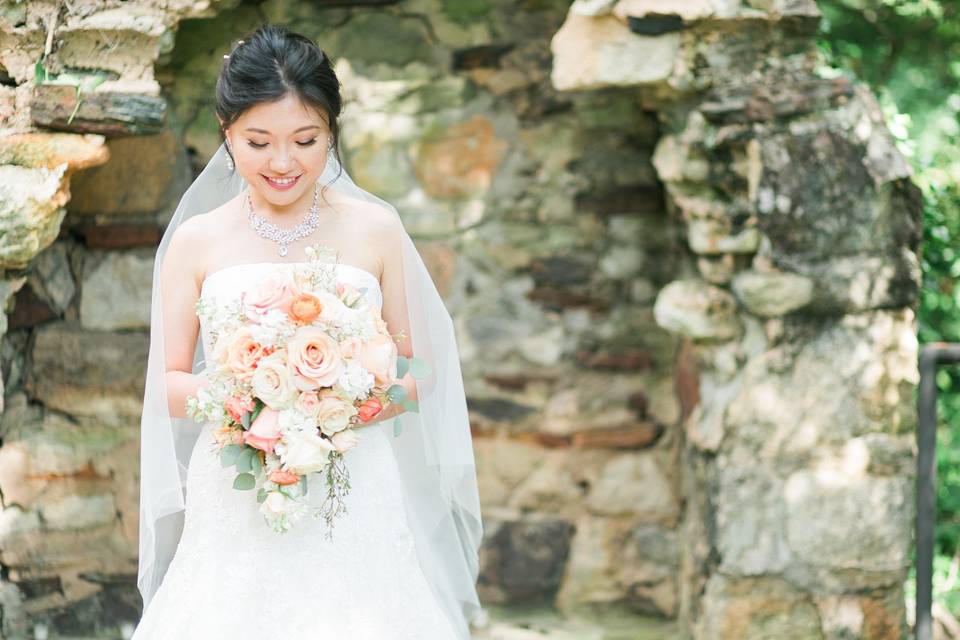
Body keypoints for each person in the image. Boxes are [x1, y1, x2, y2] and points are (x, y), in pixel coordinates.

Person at [133, 23, 484, 638]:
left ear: (331, 133)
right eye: (258, 141)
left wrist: (339, 404)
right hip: (239, 491)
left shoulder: (375, 229)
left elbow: (420, 370)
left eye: (306, 139)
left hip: (355, 486)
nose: (283, 162)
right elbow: (168, 383)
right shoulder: (195, 242)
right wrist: (253, 398)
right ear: (227, 134)